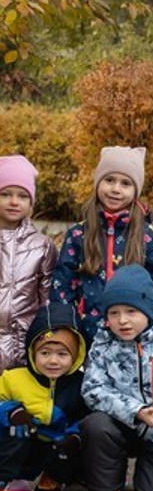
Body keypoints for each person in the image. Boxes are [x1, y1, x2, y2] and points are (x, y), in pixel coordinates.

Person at [78, 265, 153, 491]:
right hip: (120, 426)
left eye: (131, 311)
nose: (122, 320)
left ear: (148, 310)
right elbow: (93, 388)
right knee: (95, 424)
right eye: (114, 313)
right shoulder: (102, 344)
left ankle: (152, 475)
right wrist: (136, 411)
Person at [52, 146, 153, 345]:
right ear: (98, 183)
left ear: (136, 190)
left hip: (136, 336)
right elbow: (63, 286)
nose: (116, 189)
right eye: (109, 180)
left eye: (125, 183)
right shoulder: (78, 234)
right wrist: (65, 329)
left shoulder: (148, 236)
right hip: (88, 334)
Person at [0, 303, 87, 491]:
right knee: (14, 431)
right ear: (32, 351)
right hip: (23, 441)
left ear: (76, 356)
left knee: (76, 441)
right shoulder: (14, 378)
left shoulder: (80, 384)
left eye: (62, 354)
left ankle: (54, 477)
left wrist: (75, 435)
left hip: (55, 445)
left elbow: (85, 416)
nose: (53, 360)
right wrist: (11, 412)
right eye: (45, 352)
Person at [0, 154, 58, 371]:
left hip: (24, 346)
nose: (14, 202)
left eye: (23, 196)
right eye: (5, 194)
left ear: (31, 202)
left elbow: (47, 301)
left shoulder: (42, 246)